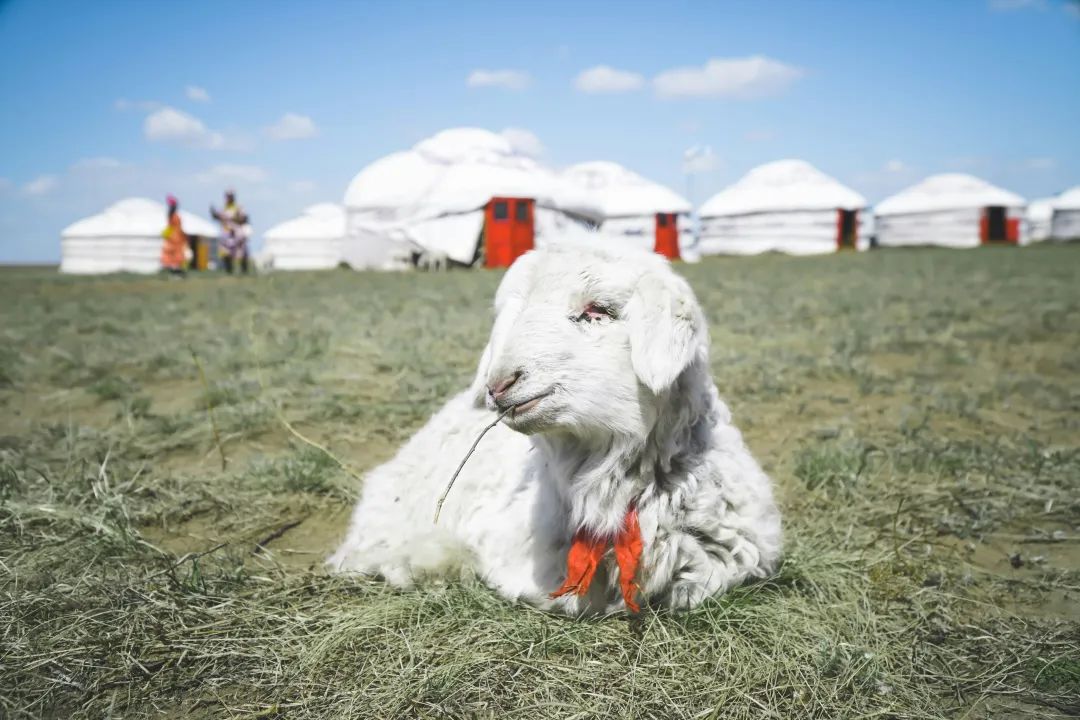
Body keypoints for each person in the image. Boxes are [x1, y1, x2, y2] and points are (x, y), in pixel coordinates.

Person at [210, 189, 251, 274]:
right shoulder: (224, 208)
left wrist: (234, 218)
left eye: (230, 196)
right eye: (227, 196)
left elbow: (244, 218)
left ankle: (244, 271)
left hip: (236, 233)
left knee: (241, 252)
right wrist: (214, 214)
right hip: (226, 233)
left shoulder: (238, 207)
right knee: (226, 253)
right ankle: (229, 271)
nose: (228, 198)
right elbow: (219, 218)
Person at [160, 194, 188, 277]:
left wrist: (166, 234)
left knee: (174, 257)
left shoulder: (171, 216)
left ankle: (177, 274)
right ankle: (177, 274)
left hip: (173, 239)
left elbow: (171, 228)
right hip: (175, 239)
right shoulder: (174, 216)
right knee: (175, 258)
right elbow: (174, 228)